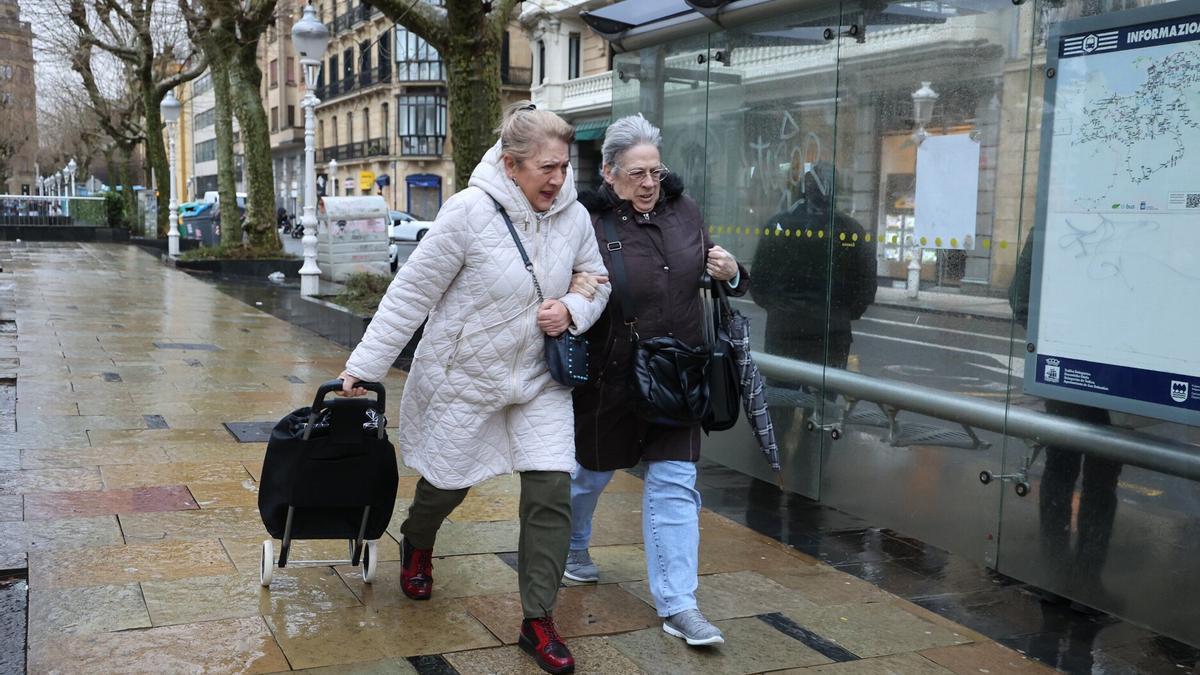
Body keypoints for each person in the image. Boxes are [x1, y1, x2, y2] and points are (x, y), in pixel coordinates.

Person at [337, 101, 610, 675]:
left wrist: (573, 308)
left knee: (550, 492)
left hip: (540, 379)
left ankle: (538, 619)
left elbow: (595, 277)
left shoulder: (574, 214)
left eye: (564, 167)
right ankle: (417, 538)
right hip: (467, 377)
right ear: (511, 165)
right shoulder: (467, 213)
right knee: (446, 483)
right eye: (546, 168)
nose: (558, 179)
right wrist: (363, 370)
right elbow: (410, 294)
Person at [565, 114, 747, 647]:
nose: (649, 184)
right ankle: (575, 545)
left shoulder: (685, 211)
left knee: (674, 485)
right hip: (612, 377)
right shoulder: (586, 223)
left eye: (656, 172)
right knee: (588, 476)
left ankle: (680, 605)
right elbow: (563, 290)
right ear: (610, 173)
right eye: (637, 174)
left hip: (682, 376)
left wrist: (731, 272)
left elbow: (716, 273)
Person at [1009, 232, 1122, 614]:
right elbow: (1022, 298)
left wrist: (1055, 340)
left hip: (1071, 368)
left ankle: (1060, 579)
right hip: (1110, 366)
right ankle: (1081, 582)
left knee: (1067, 468)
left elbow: (1021, 298)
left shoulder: (1058, 217)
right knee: (1097, 477)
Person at [750, 161, 877, 432]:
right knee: (825, 414)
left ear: (805, 187)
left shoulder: (780, 225)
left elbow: (759, 282)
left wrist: (782, 309)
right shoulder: (850, 230)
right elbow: (866, 288)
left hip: (786, 330)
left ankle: (773, 470)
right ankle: (812, 465)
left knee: (779, 411)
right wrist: (841, 314)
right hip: (831, 332)